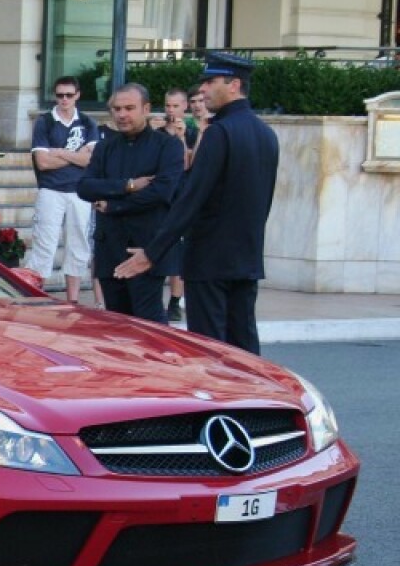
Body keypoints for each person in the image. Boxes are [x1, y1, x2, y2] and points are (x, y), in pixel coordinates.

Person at [115, 52, 279, 355]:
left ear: (234, 85)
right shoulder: (265, 133)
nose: (202, 90)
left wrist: (152, 252)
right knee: (245, 351)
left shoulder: (220, 132)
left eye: (210, 81)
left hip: (210, 262)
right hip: (246, 259)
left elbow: (192, 198)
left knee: (211, 354)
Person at [76, 83, 184, 323]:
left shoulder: (167, 145)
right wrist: (128, 185)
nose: (122, 114)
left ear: (146, 109)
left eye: (129, 108)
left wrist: (113, 205)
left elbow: (161, 191)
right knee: (117, 326)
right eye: (116, 109)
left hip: (145, 250)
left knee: (149, 324)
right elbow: (85, 187)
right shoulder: (105, 147)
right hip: (109, 249)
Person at [23, 75, 99, 303]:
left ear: (77, 95)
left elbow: (90, 160)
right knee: (44, 243)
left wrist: (60, 152)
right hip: (51, 189)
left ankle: (72, 300)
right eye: (59, 95)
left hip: (80, 190)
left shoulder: (87, 122)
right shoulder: (45, 122)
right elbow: (43, 162)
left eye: (68, 95)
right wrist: (76, 155)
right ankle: (38, 296)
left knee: (78, 244)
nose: (64, 99)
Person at [156, 88, 197, 322]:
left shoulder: (191, 133)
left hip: (180, 195)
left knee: (177, 251)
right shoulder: (158, 133)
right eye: (168, 106)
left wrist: (181, 139)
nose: (171, 110)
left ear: (185, 108)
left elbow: (186, 165)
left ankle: (175, 300)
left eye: (175, 106)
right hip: (162, 194)